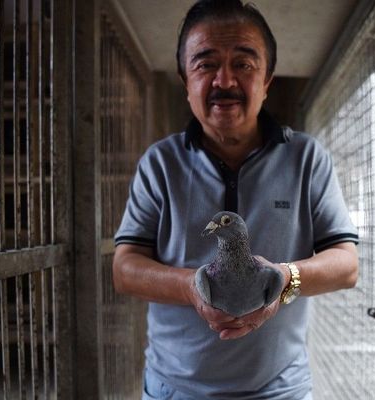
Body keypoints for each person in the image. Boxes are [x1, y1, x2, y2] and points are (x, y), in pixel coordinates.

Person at [112, 1, 359, 399]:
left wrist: (284, 279)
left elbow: (346, 265)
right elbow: (124, 269)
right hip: (174, 389)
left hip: (280, 390)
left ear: (267, 80)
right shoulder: (160, 163)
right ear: (184, 78)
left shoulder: (307, 158)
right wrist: (193, 287)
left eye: (243, 64)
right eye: (205, 63)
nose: (224, 80)